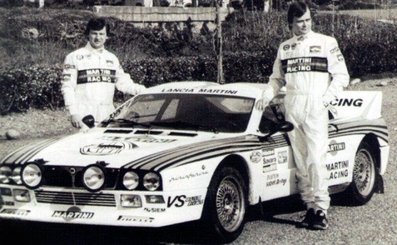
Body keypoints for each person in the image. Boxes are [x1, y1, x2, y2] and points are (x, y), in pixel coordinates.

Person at [256, 1, 349, 230]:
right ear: (291, 23)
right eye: (300, 21)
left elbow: (342, 76)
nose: (305, 24)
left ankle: (321, 209)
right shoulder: (284, 47)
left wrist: (325, 100)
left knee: (316, 160)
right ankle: (309, 207)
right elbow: (276, 79)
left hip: (315, 107)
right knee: (301, 162)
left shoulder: (326, 42)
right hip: (293, 107)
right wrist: (266, 96)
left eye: (308, 20)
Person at [61, 17, 145, 128]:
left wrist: (145, 91)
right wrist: (73, 113)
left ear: (107, 36)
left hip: (107, 118)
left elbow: (123, 83)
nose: (98, 38)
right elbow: (67, 87)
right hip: (83, 118)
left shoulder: (112, 58)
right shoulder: (74, 57)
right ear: (88, 34)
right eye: (94, 33)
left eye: (101, 34)